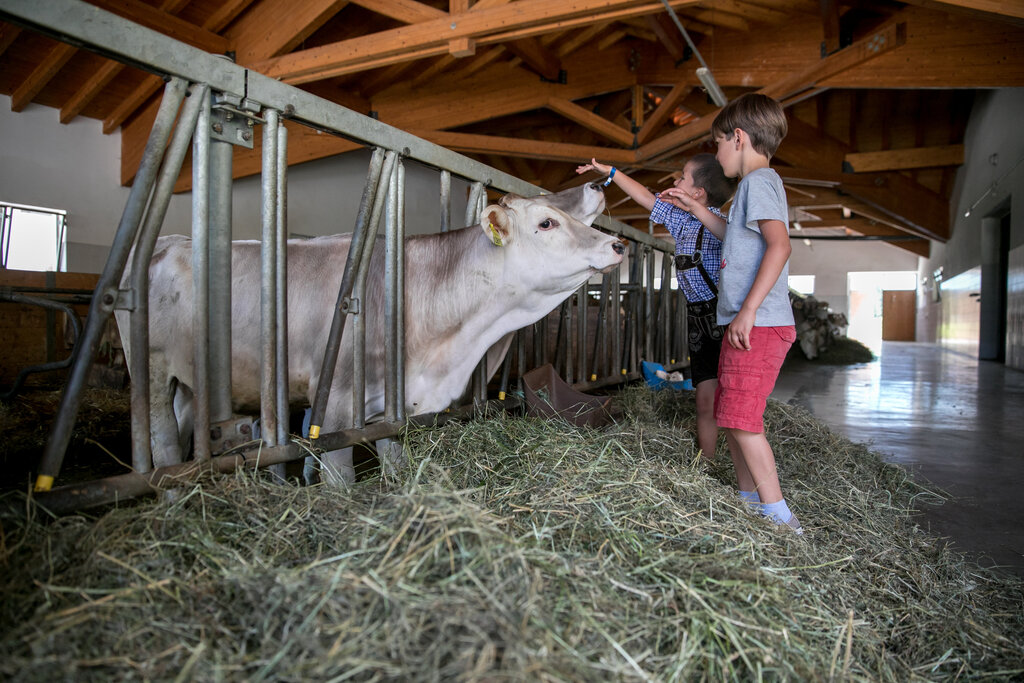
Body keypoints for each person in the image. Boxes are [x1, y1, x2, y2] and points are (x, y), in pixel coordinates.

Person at [661, 93, 801, 533]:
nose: (718, 154)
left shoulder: (759, 183)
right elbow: (738, 238)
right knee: (732, 414)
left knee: (742, 420)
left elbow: (780, 246)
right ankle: (747, 500)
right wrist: (697, 210)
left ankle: (780, 516)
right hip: (747, 322)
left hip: (757, 323)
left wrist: (748, 311)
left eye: (719, 144)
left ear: (738, 138)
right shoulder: (753, 188)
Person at [576, 154, 735, 461]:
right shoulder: (680, 221)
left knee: (732, 396)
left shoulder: (723, 225)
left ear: (698, 193)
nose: (675, 183)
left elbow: (734, 239)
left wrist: (698, 210)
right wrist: (611, 171)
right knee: (705, 397)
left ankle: (739, 455)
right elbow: (646, 197)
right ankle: (708, 465)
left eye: (682, 177)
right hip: (698, 319)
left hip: (725, 317)